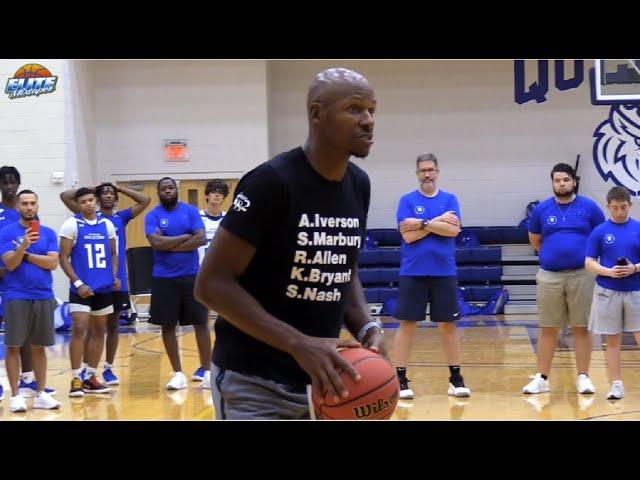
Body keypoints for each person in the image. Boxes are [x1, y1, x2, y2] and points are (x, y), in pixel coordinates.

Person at [194, 67, 385, 420]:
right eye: (354, 108)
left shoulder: (359, 185)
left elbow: (343, 266)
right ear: (316, 113)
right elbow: (210, 285)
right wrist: (298, 343)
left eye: (372, 109)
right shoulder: (272, 182)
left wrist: (366, 325)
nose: (368, 120)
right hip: (253, 382)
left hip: (323, 383)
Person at [522, 163, 605, 395]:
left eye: (566, 180)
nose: (562, 184)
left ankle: (583, 377)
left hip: (582, 275)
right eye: (557, 180)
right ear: (552, 183)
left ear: (574, 181)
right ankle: (542, 377)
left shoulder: (590, 207)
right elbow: (535, 240)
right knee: (548, 327)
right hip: (549, 276)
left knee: (581, 327)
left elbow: (600, 236)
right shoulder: (542, 210)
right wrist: (554, 256)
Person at [393, 153, 470, 399]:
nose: (427, 174)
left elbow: (453, 230)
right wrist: (436, 222)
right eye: (422, 170)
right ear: (417, 174)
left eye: (431, 169)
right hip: (412, 272)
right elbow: (407, 236)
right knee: (407, 325)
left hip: (443, 272)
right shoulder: (406, 201)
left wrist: (422, 223)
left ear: (437, 172)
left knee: (448, 325)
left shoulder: (450, 199)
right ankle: (401, 379)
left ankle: (456, 378)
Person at [60, 182, 150, 386]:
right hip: (86, 281)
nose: (108, 196)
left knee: (111, 326)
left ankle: (106, 369)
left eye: (112, 194)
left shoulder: (118, 219)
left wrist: (119, 188)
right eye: (104, 193)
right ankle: (81, 372)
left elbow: (145, 201)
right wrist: (93, 188)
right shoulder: (79, 218)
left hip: (113, 282)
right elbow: (65, 196)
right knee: (84, 327)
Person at [144, 177, 212, 390]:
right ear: (159, 192)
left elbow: (200, 238)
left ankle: (208, 371)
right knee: (168, 326)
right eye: (163, 189)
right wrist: (185, 238)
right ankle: (178, 374)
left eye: (170, 188)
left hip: (191, 276)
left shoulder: (190, 211)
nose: (167, 191)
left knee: (201, 323)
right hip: (164, 278)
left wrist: (168, 244)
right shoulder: (152, 215)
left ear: (176, 190)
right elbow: (155, 242)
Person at [0, 190, 61, 412]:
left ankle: (41, 394)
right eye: (24, 203)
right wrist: (23, 246)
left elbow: (52, 263)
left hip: (43, 294)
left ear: (37, 206)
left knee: (39, 347)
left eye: (33, 203)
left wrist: (25, 255)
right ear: (17, 206)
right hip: (16, 295)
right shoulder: (6, 233)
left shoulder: (48, 233)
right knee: (14, 346)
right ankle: (15, 395)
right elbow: (10, 265)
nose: (29, 207)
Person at [59, 188, 118, 396]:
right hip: (81, 288)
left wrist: (114, 276)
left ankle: (90, 376)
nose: (88, 204)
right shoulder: (72, 224)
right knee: (79, 328)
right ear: (78, 204)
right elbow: (63, 258)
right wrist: (77, 283)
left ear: (97, 201)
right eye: (83, 201)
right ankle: (76, 378)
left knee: (98, 332)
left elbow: (113, 253)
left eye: (91, 200)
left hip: (103, 287)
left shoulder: (107, 224)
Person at [585, 186, 640, 400]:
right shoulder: (599, 231)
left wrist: (634, 268)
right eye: (615, 207)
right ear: (608, 206)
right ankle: (616, 383)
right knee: (613, 339)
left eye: (623, 207)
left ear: (630, 206)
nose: (619, 211)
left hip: (636, 289)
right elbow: (589, 262)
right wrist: (608, 271)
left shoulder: (638, 228)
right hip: (608, 290)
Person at [197, 179, 228, 266]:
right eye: (213, 192)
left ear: (223, 198)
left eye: (221, 193)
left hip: (221, 268)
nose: (217, 195)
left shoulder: (228, 218)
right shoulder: (197, 217)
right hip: (200, 268)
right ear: (207, 196)